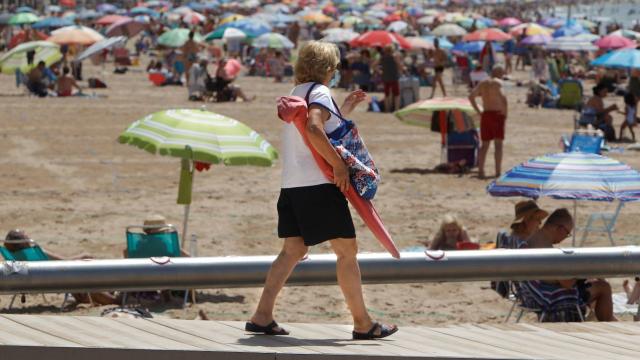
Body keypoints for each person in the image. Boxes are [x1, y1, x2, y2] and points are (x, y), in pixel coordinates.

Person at [248, 41, 398, 340]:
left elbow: (315, 128)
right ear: (328, 68)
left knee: (293, 250)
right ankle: (362, 323)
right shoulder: (319, 92)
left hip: (292, 184)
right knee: (346, 250)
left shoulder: (296, 93)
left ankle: (262, 316)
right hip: (318, 184)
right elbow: (315, 129)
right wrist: (339, 167)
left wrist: (344, 109)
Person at [526, 209, 617, 322]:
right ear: (560, 228)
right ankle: (608, 324)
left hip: (535, 292)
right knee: (604, 287)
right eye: (567, 233)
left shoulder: (536, 238)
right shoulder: (545, 248)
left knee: (591, 282)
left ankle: (605, 318)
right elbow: (567, 283)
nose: (565, 237)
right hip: (549, 296)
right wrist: (583, 271)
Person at [4, 229, 118, 306]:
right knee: (85, 262)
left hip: (34, 281)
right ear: (25, 242)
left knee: (83, 264)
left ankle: (99, 294)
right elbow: (64, 262)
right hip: (55, 278)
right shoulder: (34, 253)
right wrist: (83, 257)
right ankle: (113, 299)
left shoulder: (14, 260)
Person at [469, 65, 507, 179]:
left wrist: (478, 110)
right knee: (498, 145)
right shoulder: (498, 83)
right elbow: (503, 98)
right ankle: (498, 172)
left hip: (486, 114)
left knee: (484, 145)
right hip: (497, 114)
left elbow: (471, 96)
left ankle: (481, 171)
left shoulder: (483, 83)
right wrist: (505, 114)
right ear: (499, 73)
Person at [377, 44, 403, 112]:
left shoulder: (382, 57)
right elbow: (400, 66)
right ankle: (396, 109)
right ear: (392, 50)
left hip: (385, 77)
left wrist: (380, 71)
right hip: (394, 77)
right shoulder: (394, 57)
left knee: (387, 94)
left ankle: (387, 109)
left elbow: (373, 65)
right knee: (396, 94)